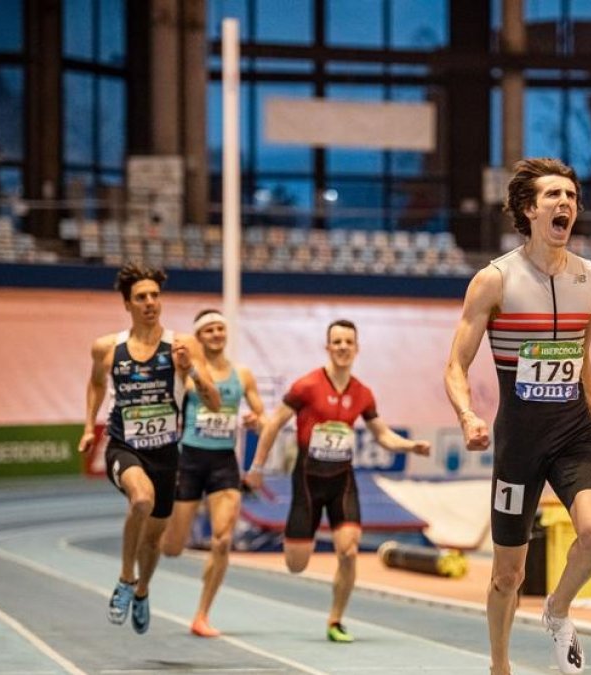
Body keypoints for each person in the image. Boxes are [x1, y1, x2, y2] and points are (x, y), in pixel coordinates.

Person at [444, 157, 591, 675]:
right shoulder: (494, 281)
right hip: (519, 442)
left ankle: (557, 609)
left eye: (571, 197)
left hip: (573, 430)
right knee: (508, 574)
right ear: (529, 210)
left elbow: (583, 363)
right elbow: (456, 365)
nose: (565, 204)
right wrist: (467, 416)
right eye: (553, 196)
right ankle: (500, 665)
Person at [245, 319, 430, 642]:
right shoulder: (306, 386)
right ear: (328, 347)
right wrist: (257, 465)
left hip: (342, 482)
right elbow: (274, 424)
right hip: (307, 482)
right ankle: (307, 555)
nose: (343, 347)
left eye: (349, 342)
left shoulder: (363, 393)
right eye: (337, 342)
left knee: (348, 550)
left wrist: (410, 445)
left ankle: (336, 620)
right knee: (296, 564)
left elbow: (382, 434)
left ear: (356, 349)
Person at [77, 262, 219, 634]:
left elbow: (215, 403)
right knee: (141, 499)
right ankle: (125, 580)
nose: (150, 302)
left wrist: (190, 371)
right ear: (128, 304)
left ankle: (142, 590)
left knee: (154, 540)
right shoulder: (107, 348)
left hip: (166, 454)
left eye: (155, 295)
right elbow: (95, 384)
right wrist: (88, 427)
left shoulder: (183, 345)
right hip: (124, 446)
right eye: (141, 297)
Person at [160, 309, 265, 638]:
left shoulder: (243, 374)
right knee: (173, 549)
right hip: (190, 461)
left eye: (221, 328)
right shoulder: (190, 374)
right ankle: (153, 527)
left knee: (222, 540)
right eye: (209, 330)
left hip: (224, 464)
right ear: (200, 337)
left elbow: (261, 414)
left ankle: (202, 615)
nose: (217, 334)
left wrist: (254, 419)